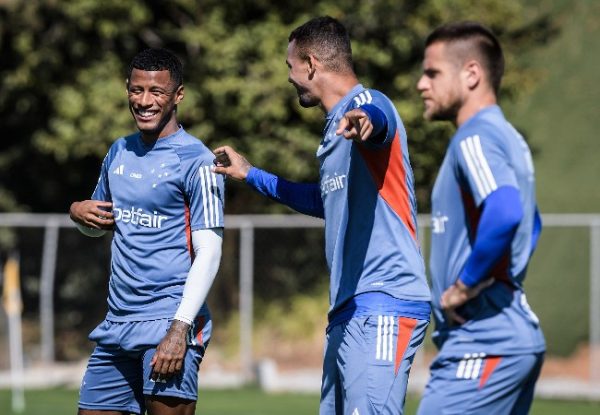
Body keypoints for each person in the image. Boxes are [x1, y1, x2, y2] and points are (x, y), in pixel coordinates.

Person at [212, 16, 431, 415]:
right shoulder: (333, 129)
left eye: (290, 66)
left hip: (384, 301)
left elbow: (377, 117)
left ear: (310, 64)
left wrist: (367, 124)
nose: (289, 77)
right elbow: (324, 201)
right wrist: (250, 174)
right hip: (348, 309)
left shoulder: (365, 105)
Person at [69, 48, 224, 415]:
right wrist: (77, 213)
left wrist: (179, 329)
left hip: (168, 323)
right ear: (127, 89)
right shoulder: (118, 152)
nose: (145, 101)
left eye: (156, 92)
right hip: (117, 323)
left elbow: (210, 251)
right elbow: (99, 226)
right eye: (136, 90)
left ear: (178, 96)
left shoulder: (197, 161)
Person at [414, 22, 546, 414]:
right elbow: (532, 223)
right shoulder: (508, 136)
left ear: (471, 73)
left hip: (484, 339)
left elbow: (506, 212)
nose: (422, 84)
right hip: (507, 335)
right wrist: (503, 274)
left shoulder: (474, 136)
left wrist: (465, 285)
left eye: (432, 72)